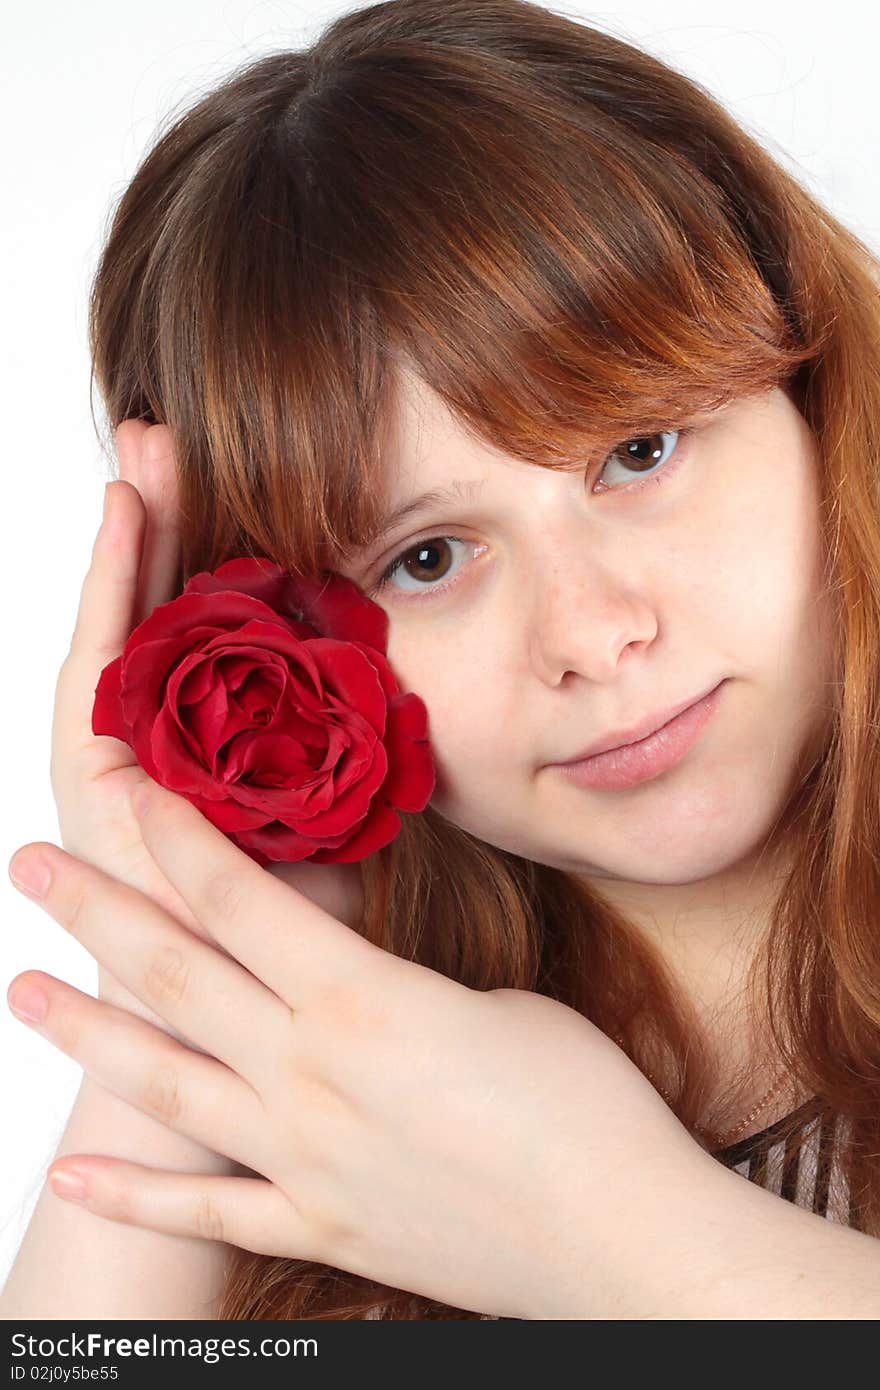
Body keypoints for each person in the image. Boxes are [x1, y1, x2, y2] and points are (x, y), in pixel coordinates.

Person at [3, 0, 879, 1319]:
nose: (591, 634)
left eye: (639, 452)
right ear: (283, 639)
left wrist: (621, 1233)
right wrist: (183, 961)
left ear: (814, 401)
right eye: (426, 557)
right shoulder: (357, 1131)